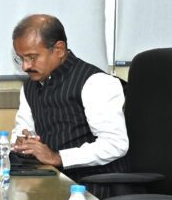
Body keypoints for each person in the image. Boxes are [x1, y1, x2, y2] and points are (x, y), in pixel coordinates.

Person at [10, 14, 129, 180]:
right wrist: (23, 142)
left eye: (32, 57)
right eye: (21, 58)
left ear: (59, 50)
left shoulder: (95, 82)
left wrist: (58, 157)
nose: (25, 66)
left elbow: (115, 144)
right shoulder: (30, 86)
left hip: (96, 185)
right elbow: (23, 129)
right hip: (51, 179)